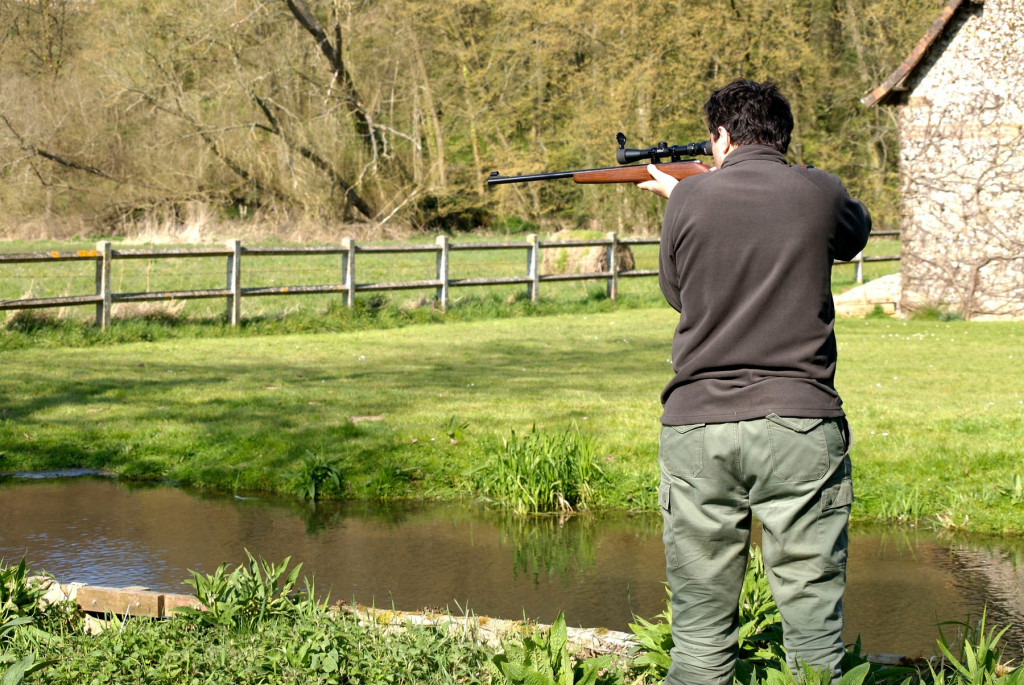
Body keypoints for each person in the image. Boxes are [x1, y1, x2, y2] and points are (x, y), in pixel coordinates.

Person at [635, 79, 871, 684]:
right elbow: (855, 230)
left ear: (721, 136)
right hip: (800, 423)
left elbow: (676, 293)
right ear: (783, 136)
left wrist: (686, 196)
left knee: (699, 637)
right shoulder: (819, 190)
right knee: (814, 630)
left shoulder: (687, 201)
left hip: (698, 426)